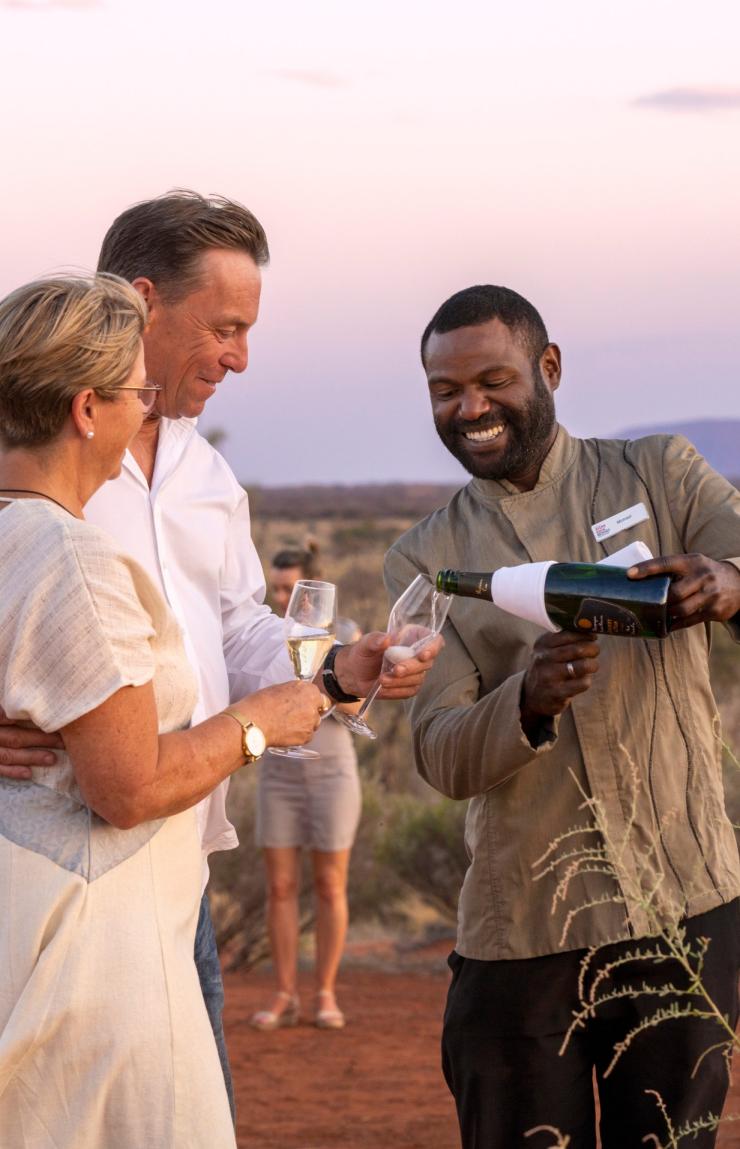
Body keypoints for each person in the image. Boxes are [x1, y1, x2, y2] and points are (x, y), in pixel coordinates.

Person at [0, 192, 439, 1116]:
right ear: (144, 300)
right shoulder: (43, 456)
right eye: (225, 328)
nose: (240, 358)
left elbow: (235, 628)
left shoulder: (207, 474)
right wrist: (253, 728)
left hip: (182, 867)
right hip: (70, 879)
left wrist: (338, 670)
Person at [384, 284, 740, 1148]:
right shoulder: (426, 559)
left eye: (493, 380)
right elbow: (439, 751)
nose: (470, 408)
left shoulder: (660, 472)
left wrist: (729, 582)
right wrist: (527, 699)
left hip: (683, 905)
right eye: (445, 390)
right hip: (525, 932)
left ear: (548, 367)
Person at [0, 273, 326, 1148]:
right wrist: (261, 722)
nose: (146, 412)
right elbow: (129, 786)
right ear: (86, 409)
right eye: (136, 395)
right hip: (99, 947)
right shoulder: (72, 558)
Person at [250, 543, 363, 1032]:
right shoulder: (260, 635)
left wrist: (324, 671)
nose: (279, 598)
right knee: (279, 887)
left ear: (311, 593)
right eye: (276, 590)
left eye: (287, 590)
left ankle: (325, 993)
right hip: (278, 771)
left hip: (331, 771)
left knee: (330, 884)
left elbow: (357, 709)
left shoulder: (347, 635)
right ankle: (283, 994)